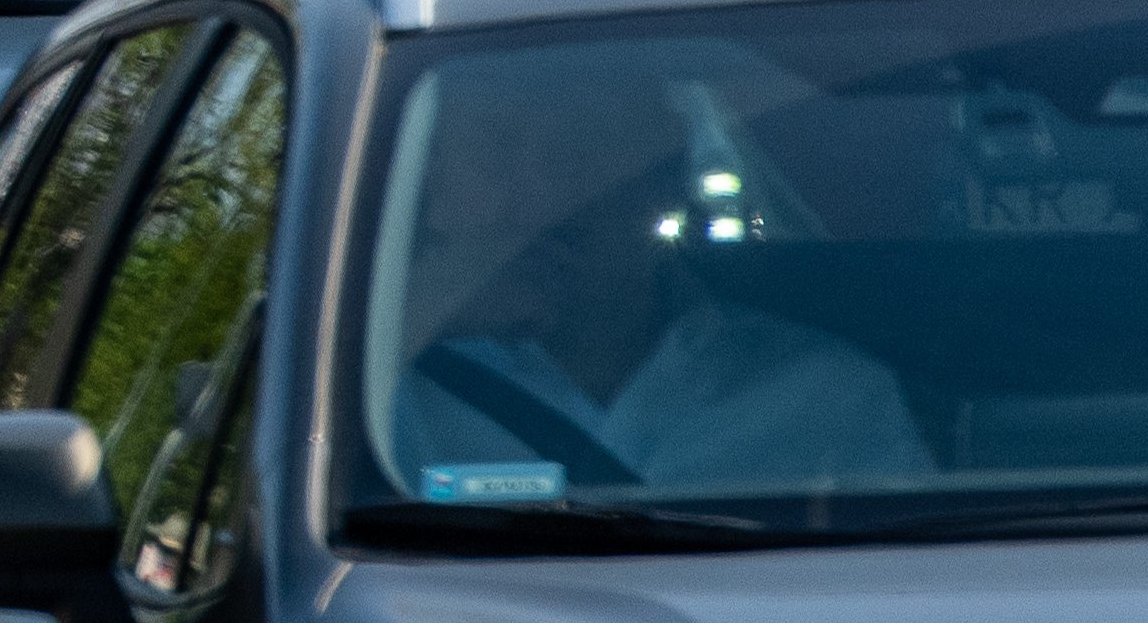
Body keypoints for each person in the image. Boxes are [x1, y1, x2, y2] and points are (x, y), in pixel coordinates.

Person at [382, 58, 928, 497]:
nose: (538, 197)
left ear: (663, 181)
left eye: (579, 150)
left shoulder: (824, 394)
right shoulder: (361, 389)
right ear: (432, 189)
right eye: (495, 150)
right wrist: (406, 328)